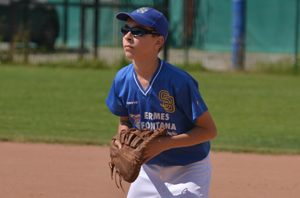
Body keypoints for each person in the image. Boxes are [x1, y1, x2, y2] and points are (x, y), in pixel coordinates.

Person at [106, 7, 217, 198]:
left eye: (138, 31)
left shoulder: (180, 82)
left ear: (158, 41)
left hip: (188, 167)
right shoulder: (122, 80)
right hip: (147, 167)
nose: (128, 36)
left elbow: (209, 131)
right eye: (126, 30)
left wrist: (164, 144)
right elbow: (125, 120)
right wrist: (124, 141)